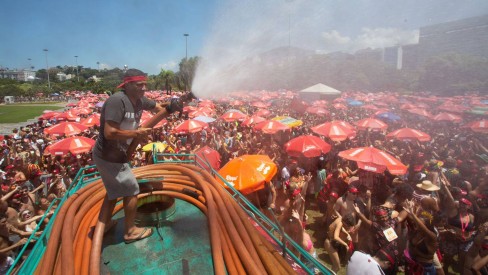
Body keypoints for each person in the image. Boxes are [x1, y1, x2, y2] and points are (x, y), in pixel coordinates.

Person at [92, 69, 183, 244]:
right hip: (109, 156)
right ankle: (130, 231)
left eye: (145, 84)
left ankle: (103, 226)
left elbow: (158, 107)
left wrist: (173, 105)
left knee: (113, 194)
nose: (143, 88)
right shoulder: (117, 101)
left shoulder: (140, 101)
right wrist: (136, 133)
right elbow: (110, 132)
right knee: (131, 190)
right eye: (139, 84)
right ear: (127, 85)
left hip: (117, 155)